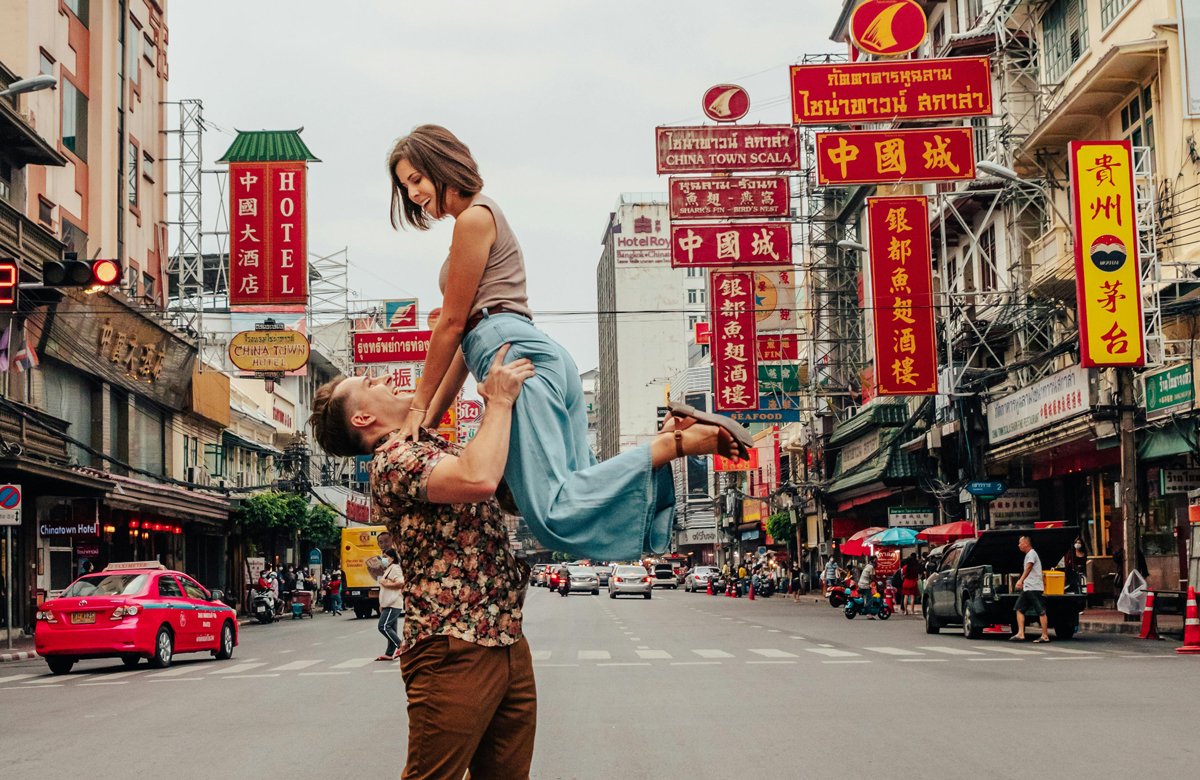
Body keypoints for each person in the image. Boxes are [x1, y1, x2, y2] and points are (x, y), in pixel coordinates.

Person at [385, 125, 752, 563]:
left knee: (553, 514)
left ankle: (679, 445)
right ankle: (672, 436)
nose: (413, 194)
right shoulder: (480, 219)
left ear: (442, 164)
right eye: (406, 187)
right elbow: (464, 343)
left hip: (514, 358)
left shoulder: (474, 218)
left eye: (417, 179)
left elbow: (451, 325)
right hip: (531, 353)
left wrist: (416, 409)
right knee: (584, 482)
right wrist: (428, 419)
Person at [308, 342, 540, 777]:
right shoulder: (393, 461)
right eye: (371, 382)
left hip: (505, 637)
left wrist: (471, 328)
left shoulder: (421, 441)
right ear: (363, 419)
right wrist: (499, 402)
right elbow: (478, 478)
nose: (384, 378)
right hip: (452, 647)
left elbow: (448, 373)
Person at [1013, 535, 1050, 643]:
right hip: (1028, 587)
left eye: (1020, 543)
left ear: (1026, 543)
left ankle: (1045, 635)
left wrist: (1020, 580)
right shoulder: (1029, 554)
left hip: (1034, 587)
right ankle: (1021, 633)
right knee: (1019, 609)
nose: (1019, 545)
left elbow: (1029, 567)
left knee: (1041, 611)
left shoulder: (1032, 554)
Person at [377, 549, 405, 661]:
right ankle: (389, 653)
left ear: (392, 558)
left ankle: (401, 646)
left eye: (385, 556)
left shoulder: (395, 568)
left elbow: (400, 583)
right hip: (388, 603)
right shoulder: (389, 569)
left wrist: (386, 583)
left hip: (393, 603)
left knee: (383, 626)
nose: (383, 559)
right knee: (391, 628)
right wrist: (382, 604)